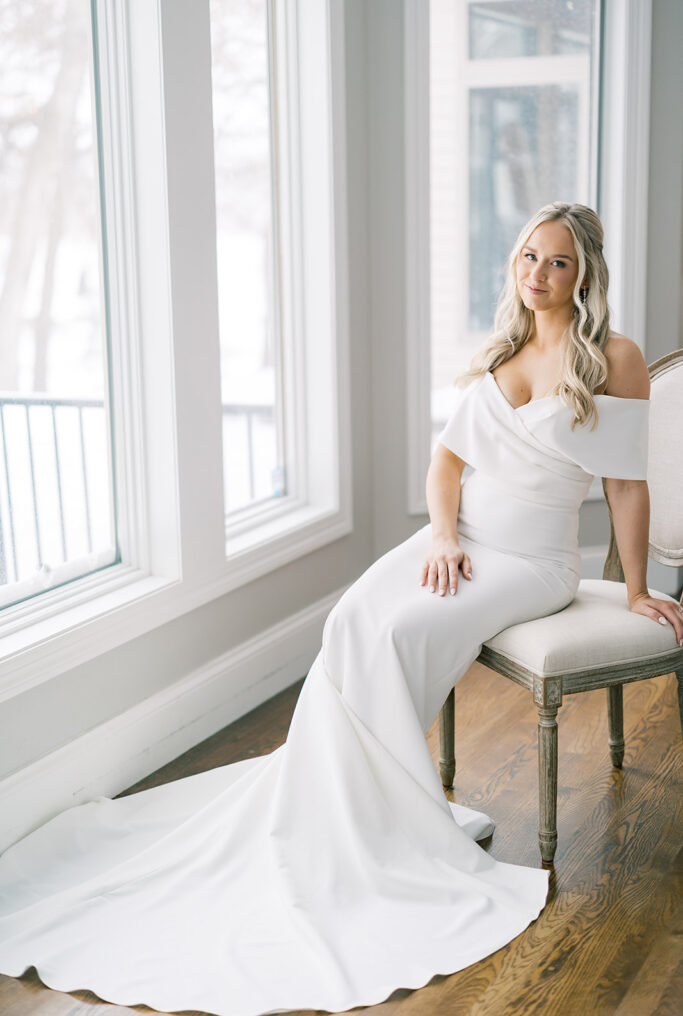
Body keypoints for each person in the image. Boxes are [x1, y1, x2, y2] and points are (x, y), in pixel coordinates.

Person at [0, 202, 681, 1016]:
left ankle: (384, 832)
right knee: (349, 620)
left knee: (397, 631)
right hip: (456, 540)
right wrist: (438, 538)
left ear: (585, 272)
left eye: (557, 262)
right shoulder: (501, 350)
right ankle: (336, 810)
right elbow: (445, 467)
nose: (536, 275)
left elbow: (626, 486)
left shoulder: (613, 357)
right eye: (527, 257)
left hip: (532, 561)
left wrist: (638, 589)